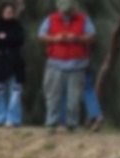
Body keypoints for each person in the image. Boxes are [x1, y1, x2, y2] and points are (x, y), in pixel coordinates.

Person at [38, 0, 95, 133]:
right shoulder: (51, 19)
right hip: (54, 63)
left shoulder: (83, 19)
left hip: (77, 64)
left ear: (74, 8)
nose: (66, 13)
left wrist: (77, 38)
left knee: (74, 98)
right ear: (58, 7)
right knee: (52, 96)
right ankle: (51, 123)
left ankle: (72, 124)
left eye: (69, 11)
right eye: (64, 11)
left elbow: (92, 37)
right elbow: (41, 36)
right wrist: (54, 39)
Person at [0, 3, 26, 128]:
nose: (9, 14)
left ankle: (13, 119)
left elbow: (19, 40)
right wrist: (3, 38)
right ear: (1, 12)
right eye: (6, 11)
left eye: (11, 12)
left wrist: (4, 37)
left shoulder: (17, 26)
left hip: (15, 63)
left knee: (15, 92)